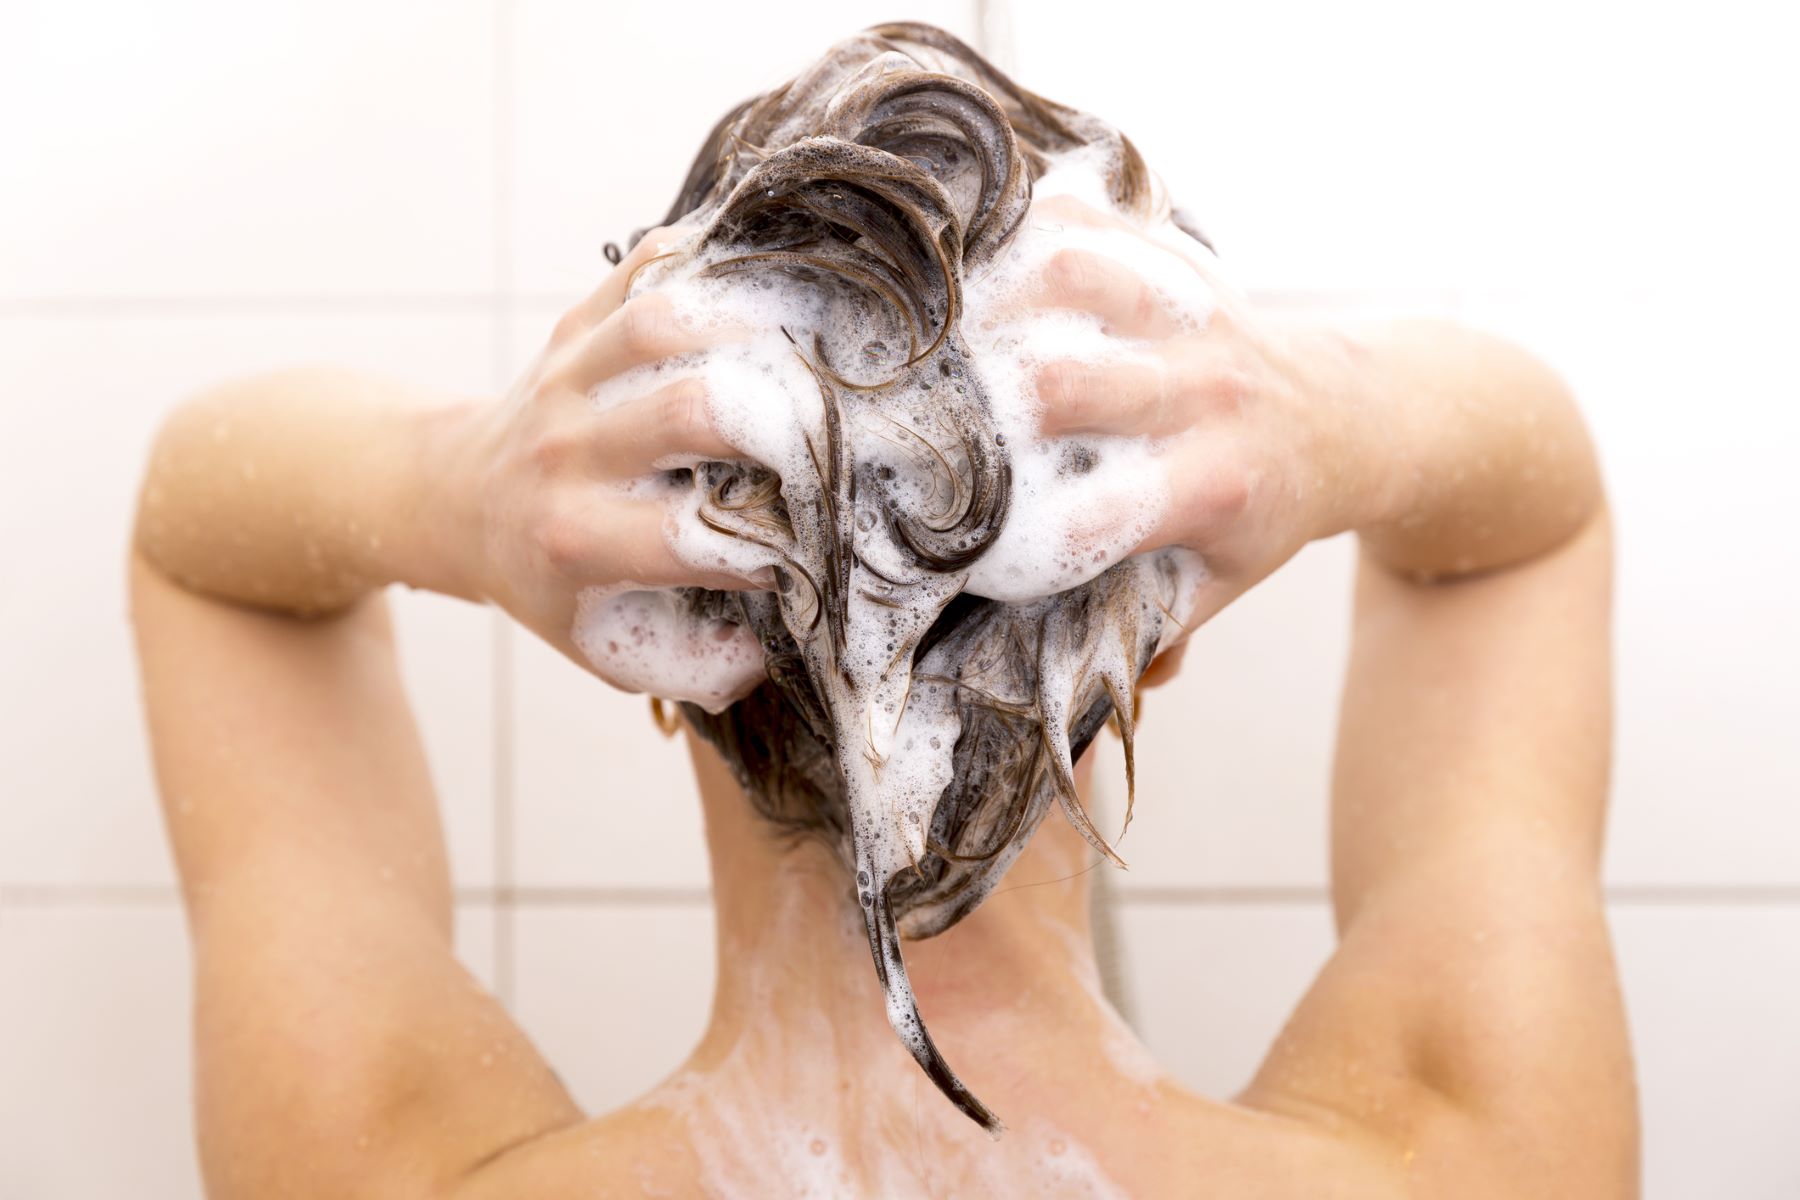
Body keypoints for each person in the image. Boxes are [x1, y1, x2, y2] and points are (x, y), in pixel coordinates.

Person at [129, 43, 1636, 1200]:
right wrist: (1331, 424)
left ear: (646, 655)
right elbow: (1526, 526)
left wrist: (460, 489)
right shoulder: (1473, 1153)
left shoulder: (379, 1163)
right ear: (1156, 639)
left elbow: (205, 546)